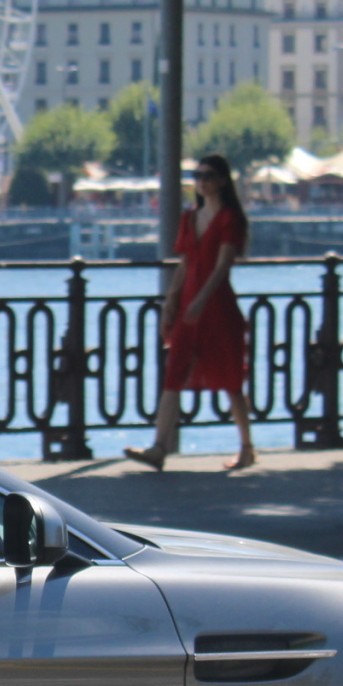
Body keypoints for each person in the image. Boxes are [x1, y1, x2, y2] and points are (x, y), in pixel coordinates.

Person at [126, 152, 257, 472]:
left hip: (218, 307)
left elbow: (224, 263)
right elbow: (186, 262)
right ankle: (159, 447)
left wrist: (201, 299)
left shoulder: (230, 218)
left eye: (208, 176)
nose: (201, 182)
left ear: (223, 181)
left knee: (230, 378)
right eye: (197, 176)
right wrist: (172, 300)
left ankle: (247, 447)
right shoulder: (190, 218)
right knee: (174, 373)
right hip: (189, 306)